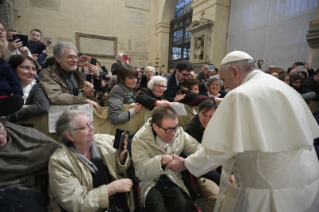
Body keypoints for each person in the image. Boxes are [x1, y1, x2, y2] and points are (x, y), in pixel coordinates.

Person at [167, 50, 319, 212]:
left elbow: (217, 150)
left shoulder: (240, 95)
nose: (225, 86)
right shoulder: (283, 87)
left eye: (224, 80)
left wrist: (185, 163)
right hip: (307, 182)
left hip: (269, 191)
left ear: (235, 71)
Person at [48, 111, 134, 212]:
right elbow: (76, 203)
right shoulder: (59, 162)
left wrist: (121, 157)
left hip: (116, 204)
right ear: (70, 136)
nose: (92, 128)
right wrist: (110, 189)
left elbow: (119, 169)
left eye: (91, 123)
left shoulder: (104, 140)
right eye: (85, 127)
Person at [131, 107, 201, 212]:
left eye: (175, 127)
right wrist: (162, 160)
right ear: (155, 126)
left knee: (182, 205)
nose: (173, 133)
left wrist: (186, 163)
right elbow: (141, 172)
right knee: (157, 206)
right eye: (168, 129)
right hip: (150, 181)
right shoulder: (139, 139)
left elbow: (198, 150)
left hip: (173, 178)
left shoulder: (179, 132)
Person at [0, 120, 60, 211]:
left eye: (0, 129)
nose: (0, 137)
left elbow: (54, 149)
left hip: (24, 190)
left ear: (4, 125)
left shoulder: (25, 136)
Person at [39, 42, 101, 113]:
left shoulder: (80, 76)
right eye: (70, 57)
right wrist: (85, 100)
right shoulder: (47, 74)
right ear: (58, 58)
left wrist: (90, 95)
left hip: (80, 117)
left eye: (75, 57)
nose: (75, 60)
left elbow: (93, 105)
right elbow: (56, 97)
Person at [185, 99, 221, 211]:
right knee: (217, 197)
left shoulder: (221, 127)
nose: (207, 120)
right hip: (201, 172)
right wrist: (222, 178)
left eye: (212, 116)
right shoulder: (190, 132)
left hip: (218, 166)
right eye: (204, 115)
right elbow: (196, 163)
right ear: (198, 113)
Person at [5, 55, 50, 122]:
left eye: (34, 69)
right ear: (13, 68)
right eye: (26, 68)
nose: (31, 72)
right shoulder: (4, 86)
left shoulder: (37, 87)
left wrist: (10, 117)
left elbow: (43, 107)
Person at [0, 44, 24, 117]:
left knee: (18, 100)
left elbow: (15, 83)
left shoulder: (6, 66)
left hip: (3, 99)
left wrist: (18, 94)